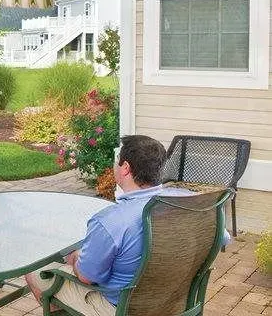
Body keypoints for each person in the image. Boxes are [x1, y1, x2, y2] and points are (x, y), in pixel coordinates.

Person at [25, 134, 231, 315]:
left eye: (117, 160)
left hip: (123, 309)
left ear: (125, 168)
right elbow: (223, 238)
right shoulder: (189, 204)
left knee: (37, 273)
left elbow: (87, 278)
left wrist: (76, 257)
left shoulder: (110, 222)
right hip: (176, 303)